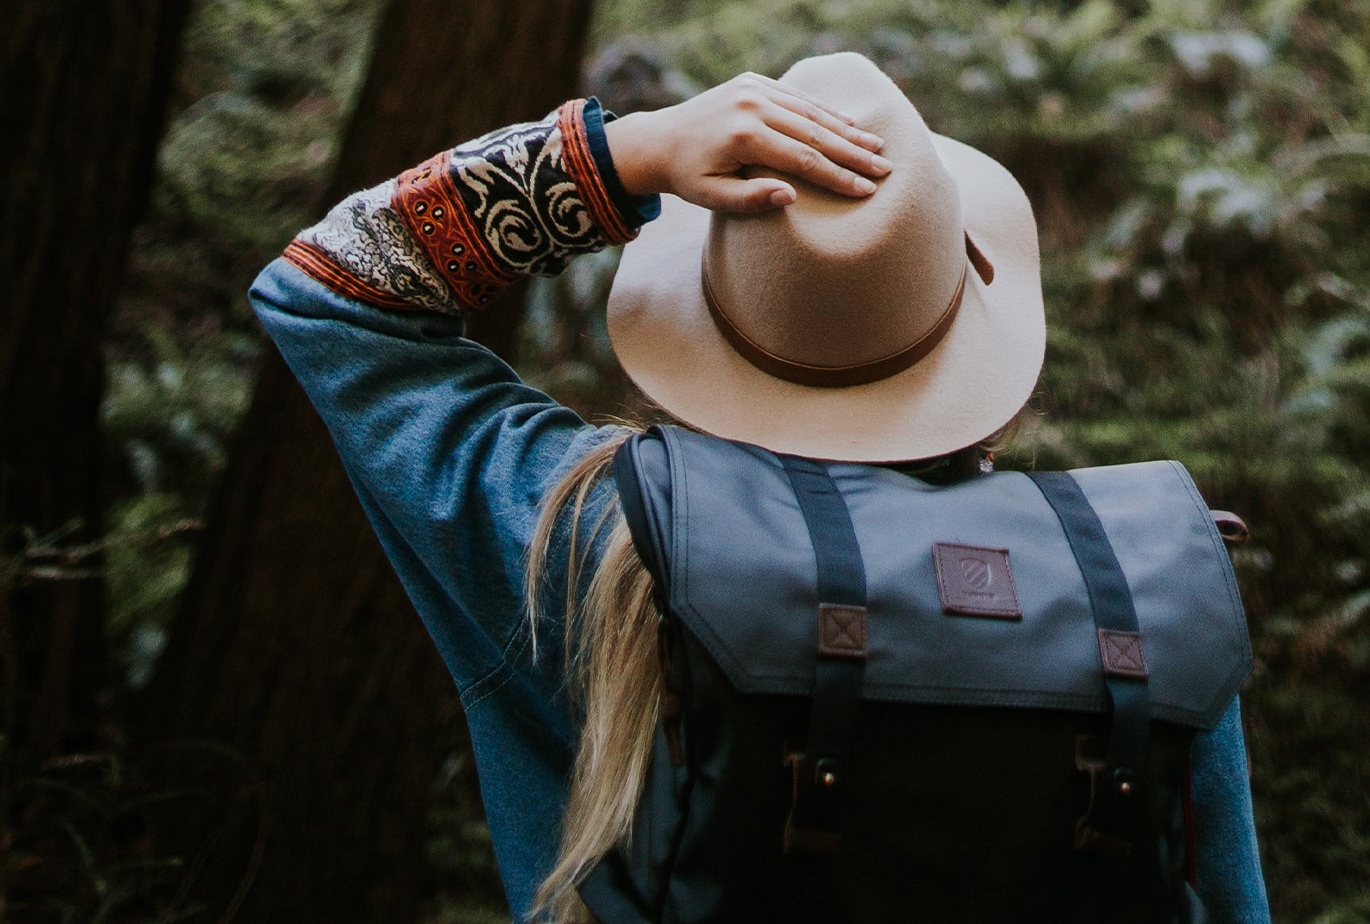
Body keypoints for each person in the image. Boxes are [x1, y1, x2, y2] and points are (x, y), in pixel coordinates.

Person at [259, 50, 1271, 922]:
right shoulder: (1140, 587)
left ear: (709, 320)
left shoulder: (601, 544)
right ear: (973, 337)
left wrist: (622, 155)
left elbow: (331, 290)